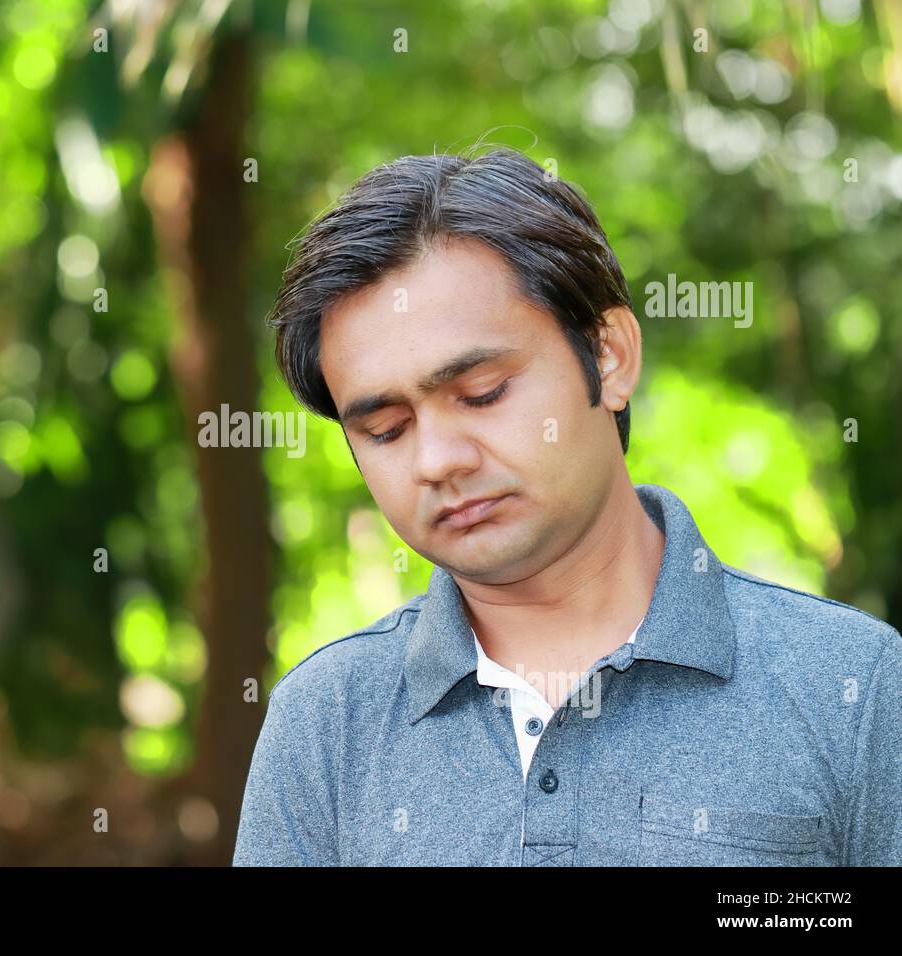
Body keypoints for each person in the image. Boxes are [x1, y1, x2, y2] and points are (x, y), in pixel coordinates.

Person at [231, 147, 901, 866]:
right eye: (386, 429)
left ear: (608, 357)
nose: (437, 461)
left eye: (483, 393)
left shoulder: (853, 686)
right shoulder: (326, 722)